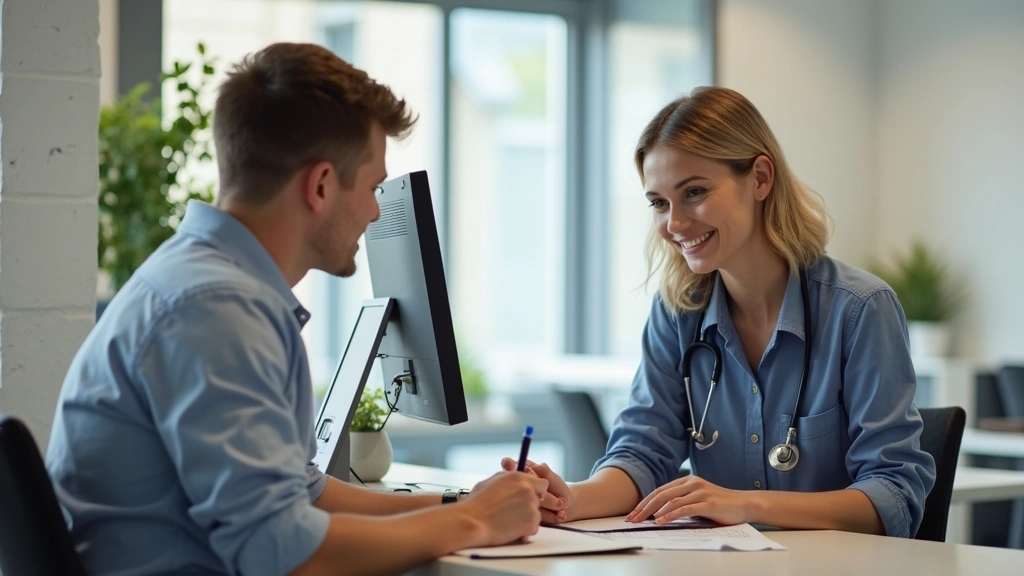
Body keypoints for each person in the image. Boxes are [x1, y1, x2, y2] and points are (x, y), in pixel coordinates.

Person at [45, 43, 549, 576]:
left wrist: (462, 504)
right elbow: (284, 552)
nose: (378, 211)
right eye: (374, 186)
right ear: (322, 185)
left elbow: (303, 496)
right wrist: (474, 523)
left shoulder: (208, 283)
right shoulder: (218, 309)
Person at [503, 86, 936, 539]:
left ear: (762, 179)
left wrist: (745, 505)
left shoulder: (860, 310)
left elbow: (894, 494)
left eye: (694, 192)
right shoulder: (677, 314)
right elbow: (642, 456)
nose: (674, 223)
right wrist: (569, 498)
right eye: (659, 202)